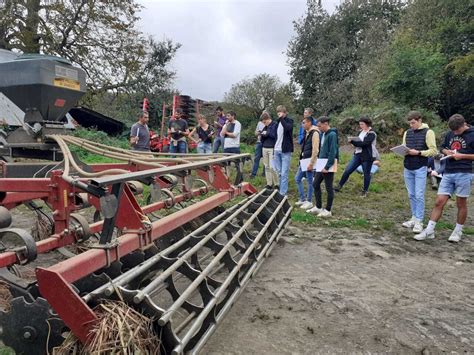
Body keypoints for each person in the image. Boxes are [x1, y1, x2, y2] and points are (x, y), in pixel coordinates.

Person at [414, 114, 474, 243]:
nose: (455, 133)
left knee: (460, 203)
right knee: (439, 201)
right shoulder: (450, 133)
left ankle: (458, 231)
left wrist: (462, 156)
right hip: (448, 171)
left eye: (457, 130)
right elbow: (442, 147)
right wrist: (447, 152)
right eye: (453, 131)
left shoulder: (472, 134)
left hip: (464, 172)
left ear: (464, 124)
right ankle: (429, 230)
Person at [401, 111, 438, 233]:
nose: (411, 125)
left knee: (419, 194)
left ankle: (419, 221)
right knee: (411, 194)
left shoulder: (429, 132)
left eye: (413, 123)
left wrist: (419, 152)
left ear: (419, 120)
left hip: (420, 167)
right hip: (407, 166)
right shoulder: (407, 132)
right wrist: (403, 151)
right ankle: (413, 217)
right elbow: (404, 146)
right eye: (410, 123)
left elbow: (433, 151)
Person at [334, 117, 378, 197]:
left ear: (367, 124)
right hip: (357, 155)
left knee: (366, 174)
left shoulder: (372, 133)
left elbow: (365, 144)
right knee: (347, 170)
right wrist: (353, 142)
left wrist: (353, 142)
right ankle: (339, 186)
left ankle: (365, 191)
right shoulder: (361, 132)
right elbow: (359, 143)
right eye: (360, 124)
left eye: (362, 124)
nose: (360, 126)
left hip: (367, 156)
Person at [307, 116, 338, 217]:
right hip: (321, 163)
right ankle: (318, 206)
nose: (319, 128)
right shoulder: (324, 134)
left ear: (326, 124)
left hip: (328, 165)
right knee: (315, 184)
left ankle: (328, 210)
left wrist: (328, 166)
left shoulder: (332, 135)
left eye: (320, 126)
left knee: (329, 187)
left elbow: (333, 151)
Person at [295, 116, 320, 210]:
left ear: (309, 123)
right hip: (304, 160)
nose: (302, 125)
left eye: (304, 123)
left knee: (310, 181)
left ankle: (309, 201)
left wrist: (312, 163)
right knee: (297, 178)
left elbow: (315, 149)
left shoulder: (315, 133)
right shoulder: (307, 132)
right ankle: (303, 198)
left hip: (309, 161)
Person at [273, 105, 294, 195]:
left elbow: (288, 128)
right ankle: (281, 189)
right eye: (278, 112)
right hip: (277, 150)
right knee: (280, 172)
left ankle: (283, 193)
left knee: (284, 173)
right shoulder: (277, 123)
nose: (279, 114)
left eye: (281, 112)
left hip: (285, 150)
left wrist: (282, 119)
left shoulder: (289, 121)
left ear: (285, 113)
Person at [260, 111, 279, 189]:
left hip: (272, 148)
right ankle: (269, 183)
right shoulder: (265, 127)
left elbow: (273, 135)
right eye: (263, 122)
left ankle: (277, 183)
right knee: (266, 166)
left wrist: (266, 133)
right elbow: (262, 137)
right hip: (264, 147)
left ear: (268, 119)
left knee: (272, 167)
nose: (264, 123)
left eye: (265, 122)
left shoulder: (275, 125)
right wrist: (263, 134)